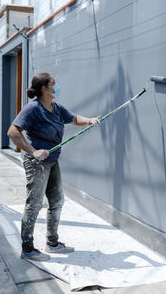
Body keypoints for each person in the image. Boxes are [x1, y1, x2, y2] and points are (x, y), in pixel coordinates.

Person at [7, 72, 100, 261]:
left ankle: (52, 243)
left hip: (53, 161)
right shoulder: (33, 109)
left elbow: (74, 119)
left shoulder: (56, 108)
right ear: (44, 89)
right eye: (53, 84)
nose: (56, 87)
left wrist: (89, 120)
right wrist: (33, 151)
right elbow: (13, 132)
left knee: (57, 201)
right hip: (36, 163)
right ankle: (27, 248)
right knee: (34, 204)